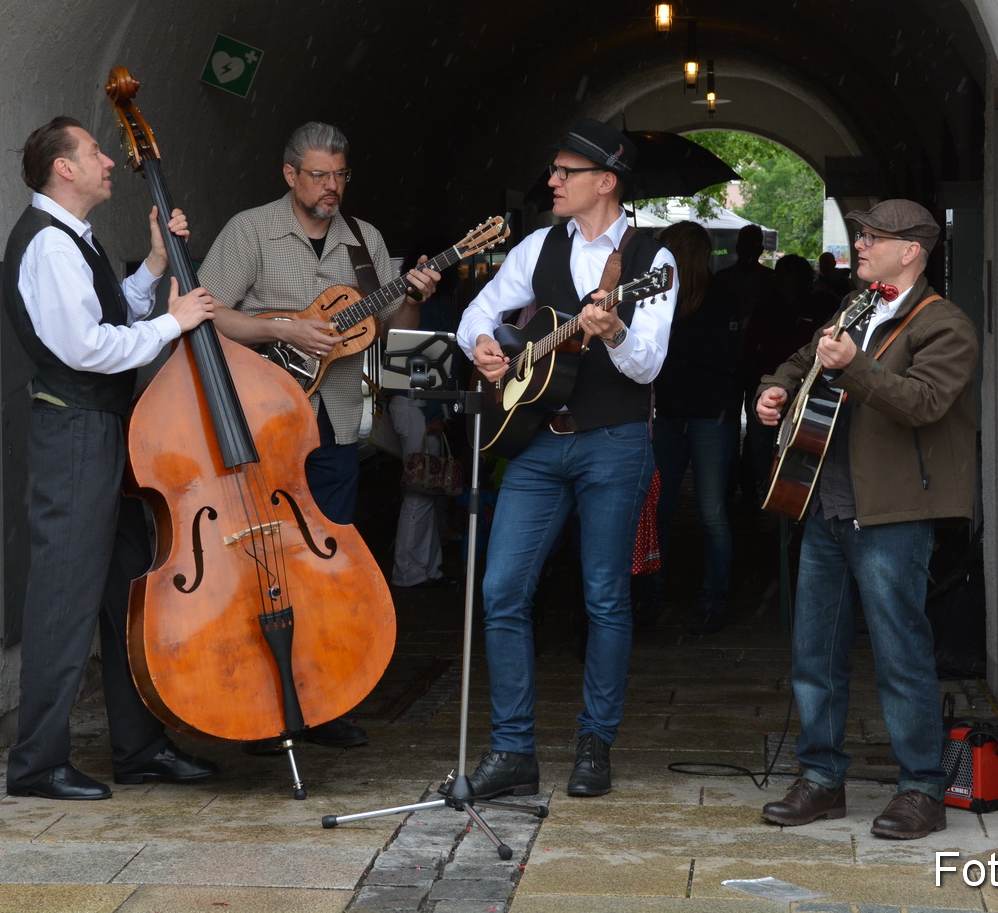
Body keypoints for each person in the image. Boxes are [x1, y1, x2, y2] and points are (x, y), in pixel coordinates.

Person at [456, 118, 678, 800]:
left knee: (604, 594)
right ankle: (513, 748)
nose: (550, 181)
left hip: (613, 440)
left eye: (564, 171)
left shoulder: (654, 260)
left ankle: (594, 742)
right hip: (535, 440)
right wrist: (486, 349)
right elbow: (476, 315)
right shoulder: (537, 246)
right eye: (553, 170)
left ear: (604, 181)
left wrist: (611, 331)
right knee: (501, 590)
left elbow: (647, 366)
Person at [2, 116, 220, 801]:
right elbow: (87, 347)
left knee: (128, 588)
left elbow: (111, 317)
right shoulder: (47, 245)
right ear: (63, 168)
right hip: (74, 436)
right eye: (94, 150)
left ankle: (139, 745)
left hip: (102, 430)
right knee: (63, 601)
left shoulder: (76, 239)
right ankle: (37, 764)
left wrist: (156, 267)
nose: (106, 159)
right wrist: (173, 324)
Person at [200, 120, 438, 747]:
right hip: (260, 424)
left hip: (333, 425)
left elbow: (391, 331)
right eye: (319, 175)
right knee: (251, 562)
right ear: (290, 175)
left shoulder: (366, 240)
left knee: (324, 570)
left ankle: (320, 703)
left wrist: (413, 297)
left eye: (340, 175)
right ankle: (248, 694)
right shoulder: (250, 231)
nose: (332, 187)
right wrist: (280, 329)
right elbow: (204, 312)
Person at [752, 200, 978, 839]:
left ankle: (922, 789)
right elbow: (803, 359)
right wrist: (776, 386)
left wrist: (855, 365)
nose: (861, 243)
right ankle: (821, 780)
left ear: (911, 251)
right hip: (826, 501)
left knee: (900, 650)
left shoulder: (945, 325)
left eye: (874, 237)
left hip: (893, 509)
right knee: (813, 651)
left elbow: (924, 403)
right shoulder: (855, 306)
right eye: (861, 234)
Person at [643, 220, 743, 634]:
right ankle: (672, 598)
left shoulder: (719, 297)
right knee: (669, 511)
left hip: (701, 416)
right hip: (680, 413)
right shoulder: (658, 297)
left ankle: (703, 600)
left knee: (709, 514)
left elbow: (727, 357)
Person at [386, 242, 460, 589]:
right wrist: (435, 412)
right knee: (418, 493)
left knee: (425, 491)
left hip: (412, 407)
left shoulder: (424, 303)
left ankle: (427, 569)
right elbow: (420, 365)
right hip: (416, 407)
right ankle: (408, 573)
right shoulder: (426, 307)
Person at [739, 254, 834, 502]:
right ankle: (763, 491)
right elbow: (749, 343)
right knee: (759, 440)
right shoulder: (766, 305)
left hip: (807, 387)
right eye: (779, 273)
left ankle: (794, 498)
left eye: (788, 274)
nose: (782, 279)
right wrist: (756, 376)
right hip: (767, 382)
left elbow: (818, 347)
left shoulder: (817, 305)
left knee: (802, 444)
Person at [717, 223, 774, 320]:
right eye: (745, 246)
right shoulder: (771, 279)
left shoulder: (722, 278)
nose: (748, 252)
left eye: (751, 247)